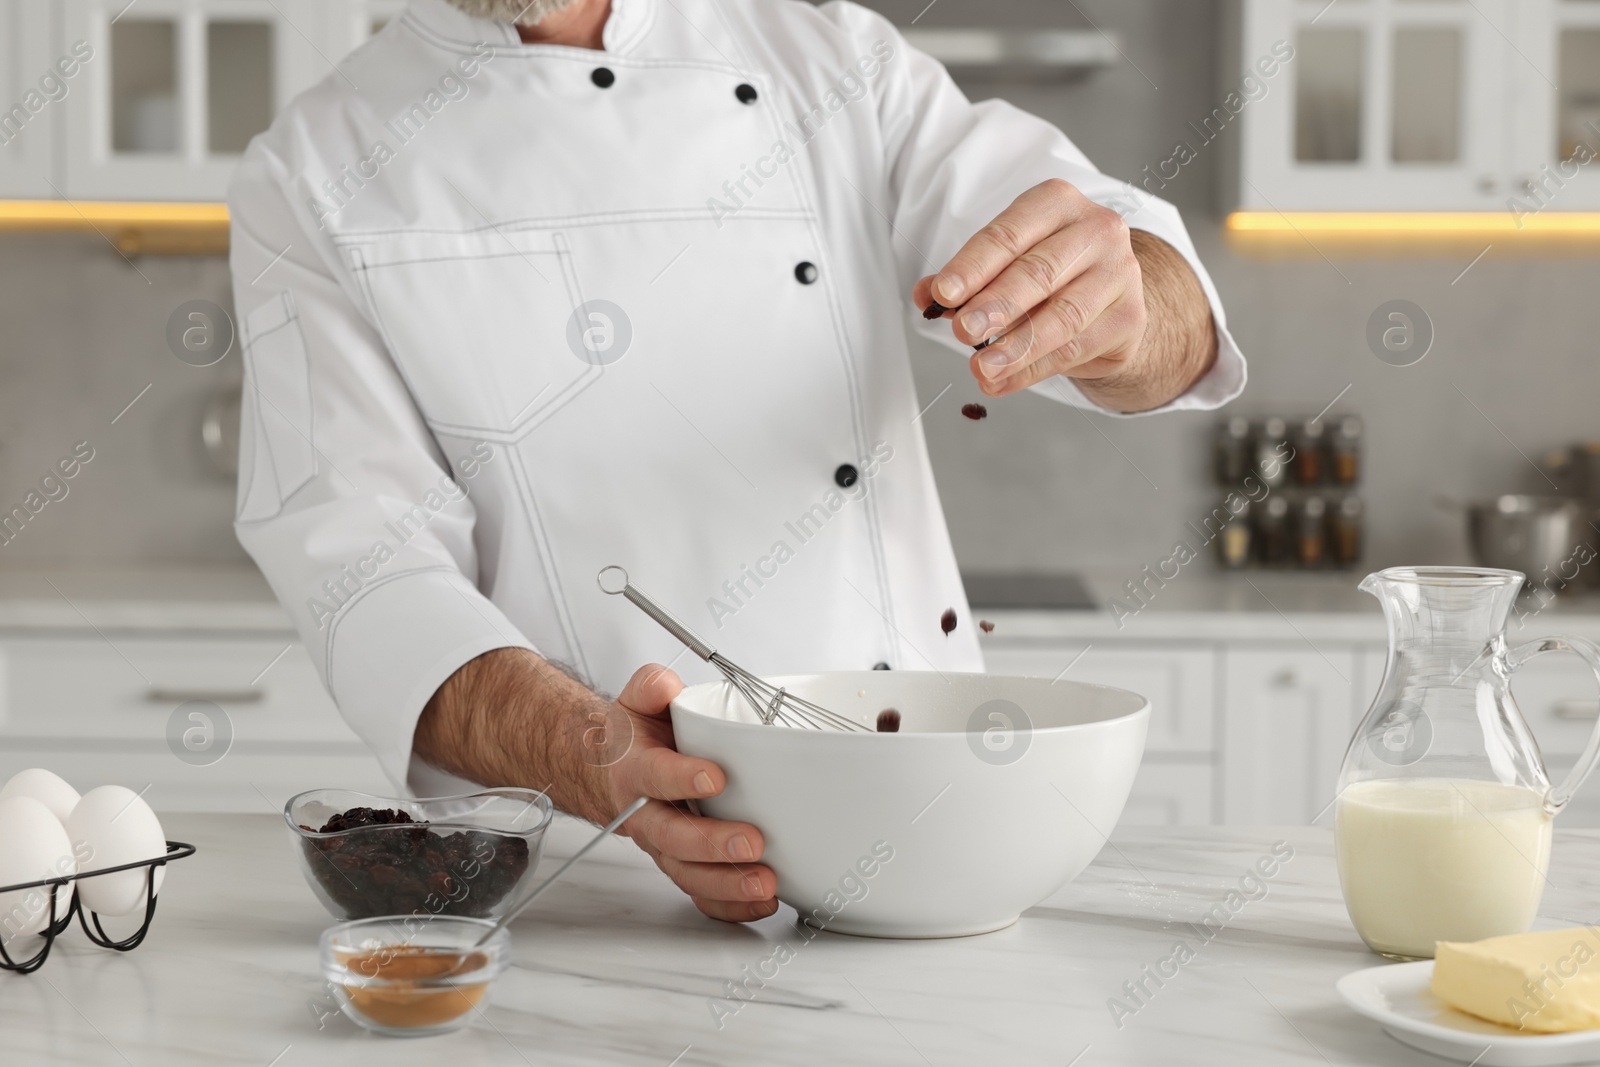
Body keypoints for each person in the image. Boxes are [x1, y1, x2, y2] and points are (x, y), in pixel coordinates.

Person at [228, 0, 1245, 924]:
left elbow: (1159, 308)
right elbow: (367, 574)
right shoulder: (310, 171)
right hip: (605, 877)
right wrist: (595, 760)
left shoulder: (830, 60)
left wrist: (1124, 305)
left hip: (937, 835)